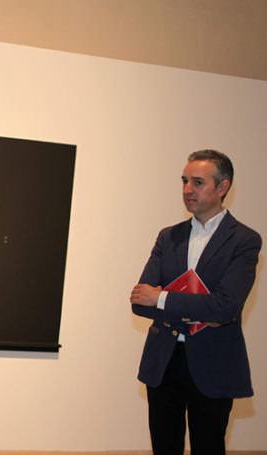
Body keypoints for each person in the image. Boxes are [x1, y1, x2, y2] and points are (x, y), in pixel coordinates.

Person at [130, 150, 260, 454]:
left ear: (222, 187)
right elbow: (139, 302)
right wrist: (200, 308)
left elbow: (226, 306)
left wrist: (162, 298)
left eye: (198, 182)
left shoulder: (244, 240)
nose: (188, 189)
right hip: (164, 361)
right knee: (164, 447)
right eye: (185, 181)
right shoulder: (168, 237)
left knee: (209, 447)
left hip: (213, 362)